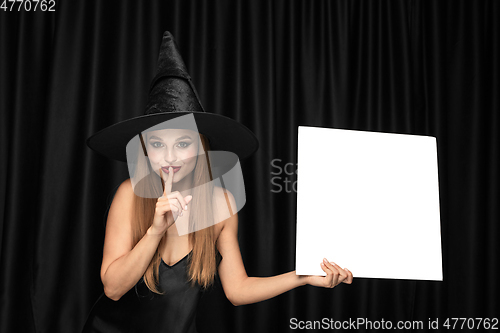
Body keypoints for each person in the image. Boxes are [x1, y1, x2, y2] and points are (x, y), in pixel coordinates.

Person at [83, 31, 353, 333]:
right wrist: (155, 231)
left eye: (182, 143)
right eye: (157, 145)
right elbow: (113, 289)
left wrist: (302, 276)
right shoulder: (130, 195)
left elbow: (237, 290)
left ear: (201, 148)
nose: (169, 157)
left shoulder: (222, 202)